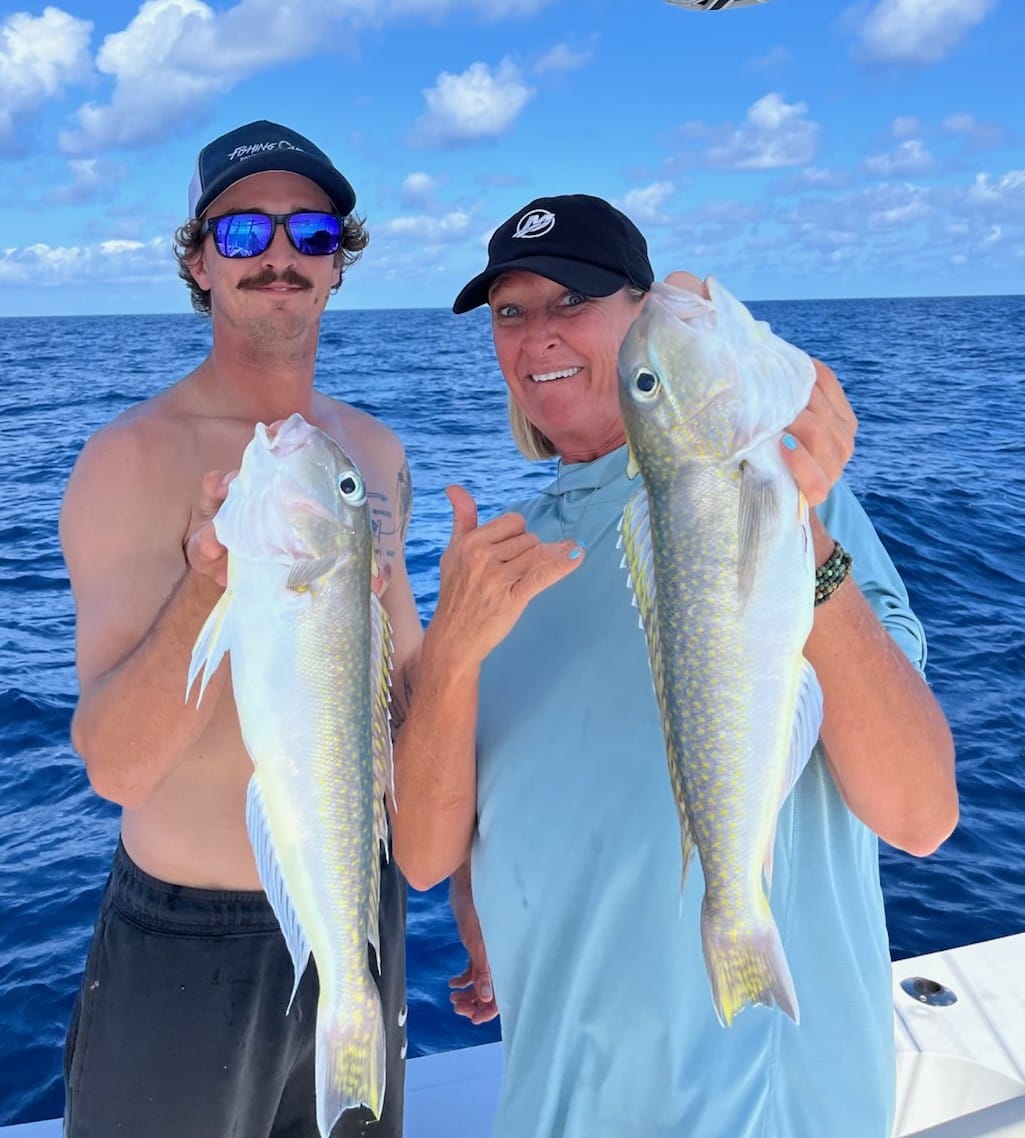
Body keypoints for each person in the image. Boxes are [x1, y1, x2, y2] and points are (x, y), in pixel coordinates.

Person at [391, 194, 958, 1138]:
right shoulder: (500, 557)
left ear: (637, 314)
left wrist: (798, 534)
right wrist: (448, 659)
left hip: (759, 1111)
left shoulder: (787, 498)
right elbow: (422, 858)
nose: (538, 337)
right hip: (553, 1106)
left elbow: (921, 812)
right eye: (510, 312)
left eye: (571, 299)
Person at [59, 120, 421, 1138]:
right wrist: (205, 583)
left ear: (338, 262)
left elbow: (406, 700)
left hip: (362, 913)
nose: (279, 254)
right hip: (191, 943)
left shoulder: (371, 453)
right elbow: (117, 767)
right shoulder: (130, 459)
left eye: (310, 230)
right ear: (198, 258)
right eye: (243, 230)